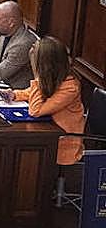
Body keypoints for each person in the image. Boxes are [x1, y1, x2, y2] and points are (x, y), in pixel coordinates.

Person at [5, 38, 84, 166]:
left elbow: (35, 110)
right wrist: (14, 95)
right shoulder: (54, 78)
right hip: (46, 134)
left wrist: (37, 77)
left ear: (46, 65)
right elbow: (30, 93)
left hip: (62, 144)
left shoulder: (70, 87)